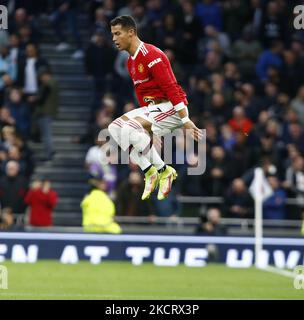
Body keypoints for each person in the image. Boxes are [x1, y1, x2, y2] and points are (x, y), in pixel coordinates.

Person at [108, 15, 202, 202]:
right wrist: (148, 128)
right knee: (114, 129)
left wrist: (185, 120)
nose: (114, 39)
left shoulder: (152, 55)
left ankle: (164, 170)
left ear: (131, 32)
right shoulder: (131, 62)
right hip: (155, 111)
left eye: (117, 34)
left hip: (173, 109)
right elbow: (144, 97)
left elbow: (171, 88)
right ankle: (150, 171)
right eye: (112, 34)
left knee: (129, 128)